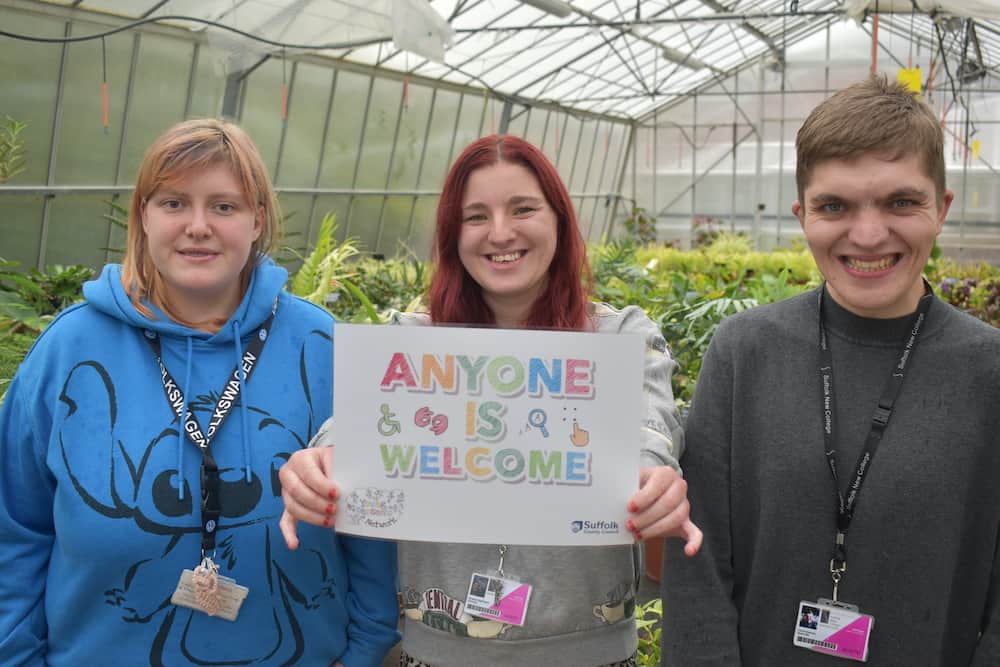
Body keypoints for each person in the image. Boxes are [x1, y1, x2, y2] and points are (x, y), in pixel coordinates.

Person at [278, 134, 702, 666]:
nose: (500, 233)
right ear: (453, 235)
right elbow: (357, 429)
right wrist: (316, 464)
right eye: (475, 216)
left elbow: (651, 427)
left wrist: (653, 475)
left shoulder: (621, 337)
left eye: (523, 208)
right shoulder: (413, 340)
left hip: (588, 655)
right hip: (436, 654)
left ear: (560, 221)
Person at [0, 119, 399, 666]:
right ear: (143, 215)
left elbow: (375, 523)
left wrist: (365, 649)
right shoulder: (70, 350)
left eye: (224, 207)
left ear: (258, 220)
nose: (198, 226)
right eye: (173, 203)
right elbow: (15, 525)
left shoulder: (323, 347)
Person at [662, 75, 1000, 665]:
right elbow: (699, 561)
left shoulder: (988, 372)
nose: (868, 235)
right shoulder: (744, 353)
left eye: (901, 201)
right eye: (834, 206)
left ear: (941, 209)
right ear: (802, 214)